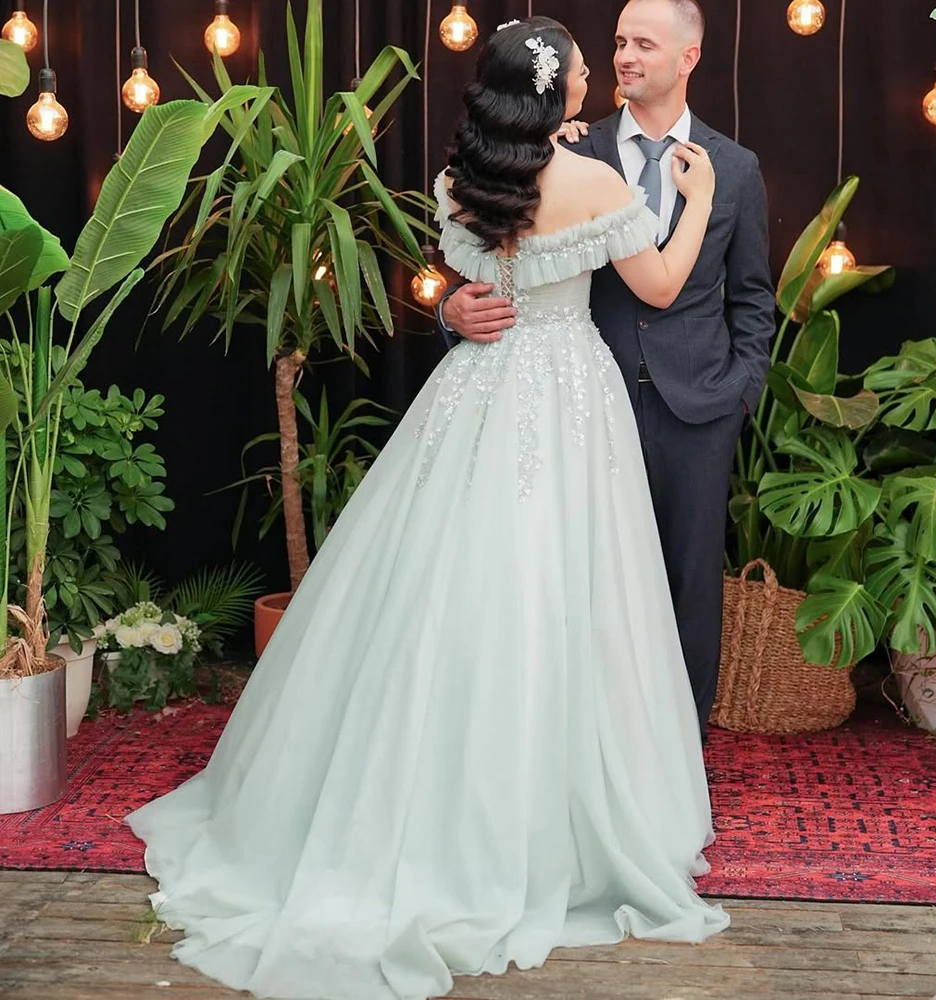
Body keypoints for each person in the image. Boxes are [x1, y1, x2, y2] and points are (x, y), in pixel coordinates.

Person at [125, 16, 729, 1000]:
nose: (593, 77)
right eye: (582, 69)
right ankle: (549, 821)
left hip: (477, 395)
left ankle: (407, 792)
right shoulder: (599, 184)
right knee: (565, 595)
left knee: (444, 590)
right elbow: (658, 286)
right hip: (570, 398)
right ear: (554, 95)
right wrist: (692, 201)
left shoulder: (462, 178)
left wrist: (453, 304)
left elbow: (473, 272)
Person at [441, 0, 776, 738]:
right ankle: (586, 753)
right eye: (618, 43)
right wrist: (450, 314)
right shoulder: (562, 147)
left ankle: (678, 757)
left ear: (687, 57)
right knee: (584, 586)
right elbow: (499, 263)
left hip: (699, 410)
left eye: (643, 45)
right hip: (581, 405)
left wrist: (738, 396)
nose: (625, 57)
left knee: (690, 590)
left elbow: (753, 298)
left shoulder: (736, 168)